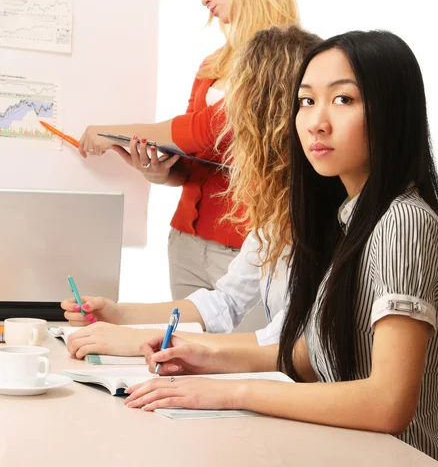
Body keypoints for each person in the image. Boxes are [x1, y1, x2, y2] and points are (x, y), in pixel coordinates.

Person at [124, 30, 438, 460]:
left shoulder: (404, 220)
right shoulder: (351, 217)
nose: (316, 121)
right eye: (307, 101)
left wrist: (231, 394)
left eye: (343, 100)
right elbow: (313, 357)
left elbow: (388, 403)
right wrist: (203, 358)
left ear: (392, 112)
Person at [61, 26, 322, 359]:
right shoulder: (281, 210)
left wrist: (155, 342)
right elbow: (224, 302)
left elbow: (291, 345)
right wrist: (118, 314)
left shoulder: (327, 215)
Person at [77, 0, 300, 300]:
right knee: (185, 353)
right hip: (186, 242)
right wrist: (160, 171)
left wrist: (111, 131)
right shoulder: (213, 64)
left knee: (249, 358)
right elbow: (195, 159)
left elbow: (206, 130)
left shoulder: (289, 57)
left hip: (250, 250)